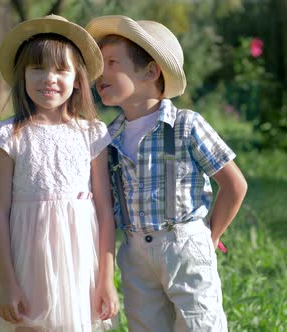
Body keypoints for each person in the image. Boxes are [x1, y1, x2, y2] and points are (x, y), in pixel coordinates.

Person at [86, 15, 248, 331]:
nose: (99, 74)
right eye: (98, 66)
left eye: (112, 63)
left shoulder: (186, 125)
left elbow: (234, 185)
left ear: (150, 70)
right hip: (134, 253)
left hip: (184, 244)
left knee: (199, 323)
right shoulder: (108, 138)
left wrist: (209, 236)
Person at [0, 15, 119, 331]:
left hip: (79, 262)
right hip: (27, 259)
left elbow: (104, 210)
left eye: (61, 70)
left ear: (78, 78)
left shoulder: (92, 134)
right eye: (37, 68)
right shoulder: (8, 135)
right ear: (22, 76)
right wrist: (8, 283)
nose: (49, 78)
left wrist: (106, 280)